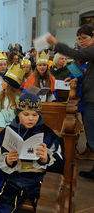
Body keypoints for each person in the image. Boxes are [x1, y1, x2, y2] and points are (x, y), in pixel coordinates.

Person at [0, 92, 64, 213]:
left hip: (39, 179)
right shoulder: (7, 133)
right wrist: (8, 161)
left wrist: (45, 159)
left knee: (47, 208)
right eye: (26, 114)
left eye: (35, 115)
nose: (31, 118)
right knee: (3, 208)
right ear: (18, 114)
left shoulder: (48, 134)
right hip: (15, 178)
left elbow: (60, 164)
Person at [47, 23, 94, 177]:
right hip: (89, 98)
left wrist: (55, 43)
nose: (82, 42)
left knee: (92, 132)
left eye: (85, 38)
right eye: (79, 39)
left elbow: (77, 55)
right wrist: (75, 76)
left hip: (92, 100)